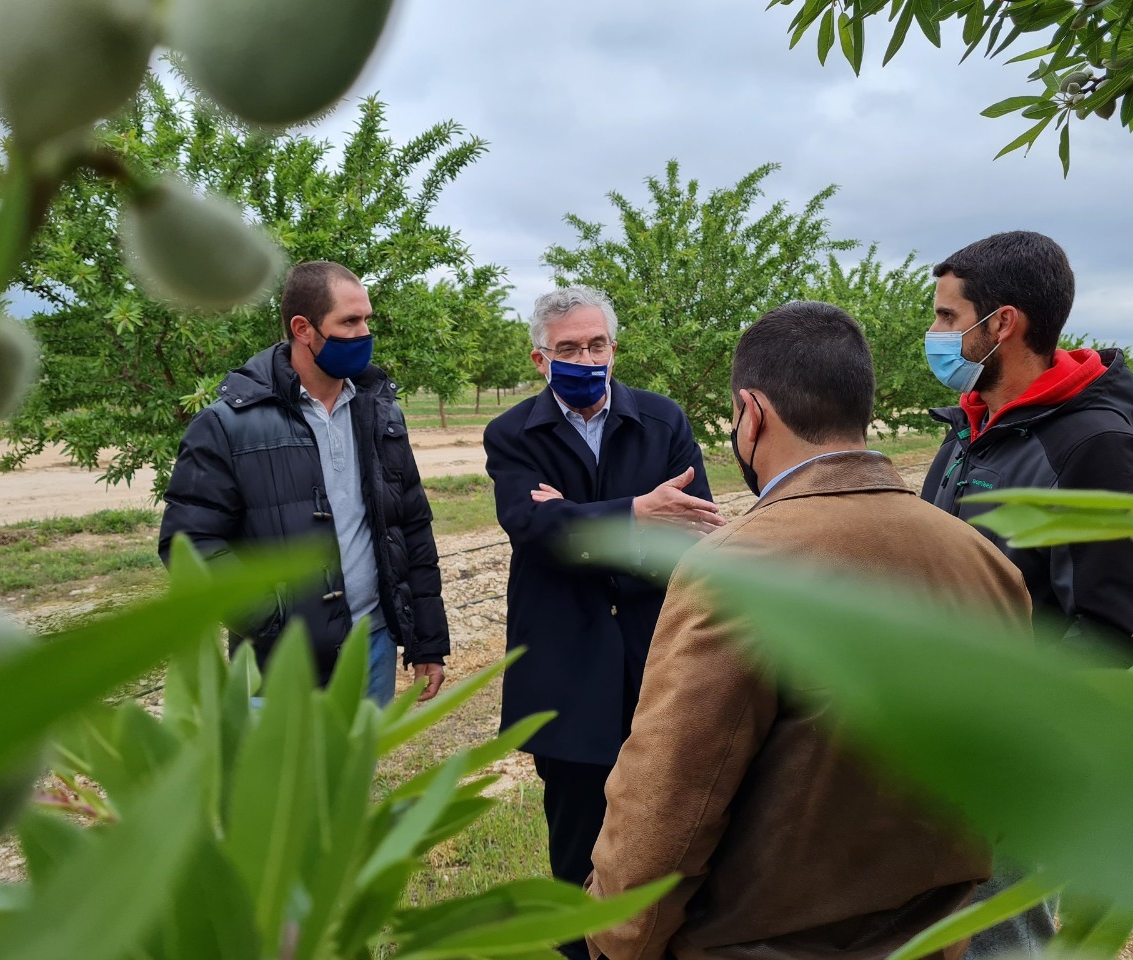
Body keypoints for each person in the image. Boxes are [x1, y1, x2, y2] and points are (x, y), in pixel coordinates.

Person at [587, 301, 1031, 960]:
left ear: (752, 414)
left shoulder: (741, 572)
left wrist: (618, 938)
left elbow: (669, 801)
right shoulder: (983, 561)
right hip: (930, 941)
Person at [483, 285, 724, 960]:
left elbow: (694, 533)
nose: (584, 358)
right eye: (567, 348)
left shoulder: (663, 419)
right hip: (565, 668)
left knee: (674, 834)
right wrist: (636, 515)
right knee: (577, 848)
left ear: (614, 349)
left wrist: (582, 523)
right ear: (540, 358)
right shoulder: (511, 434)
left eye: (595, 345)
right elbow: (531, 529)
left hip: (658, 660)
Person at [920, 230, 1133, 956]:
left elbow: (1108, 630)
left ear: (1001, 324)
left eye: (949, 318)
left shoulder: (1089, 444)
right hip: (941, 739)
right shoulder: (969, 431)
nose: (937, 335)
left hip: (1011, 757)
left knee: (1000, 939)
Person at [158, 260, 448, 705]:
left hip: (373, 647)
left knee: (355, 774)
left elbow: (410, 526)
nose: (364, 333)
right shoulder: (227, 424)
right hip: (277, 665)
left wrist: (427, 639)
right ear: (303, 329)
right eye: (349, 321)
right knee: (281, 776)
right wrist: (275, 624)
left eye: (367, 319)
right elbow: (189, 545)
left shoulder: (381, 413)